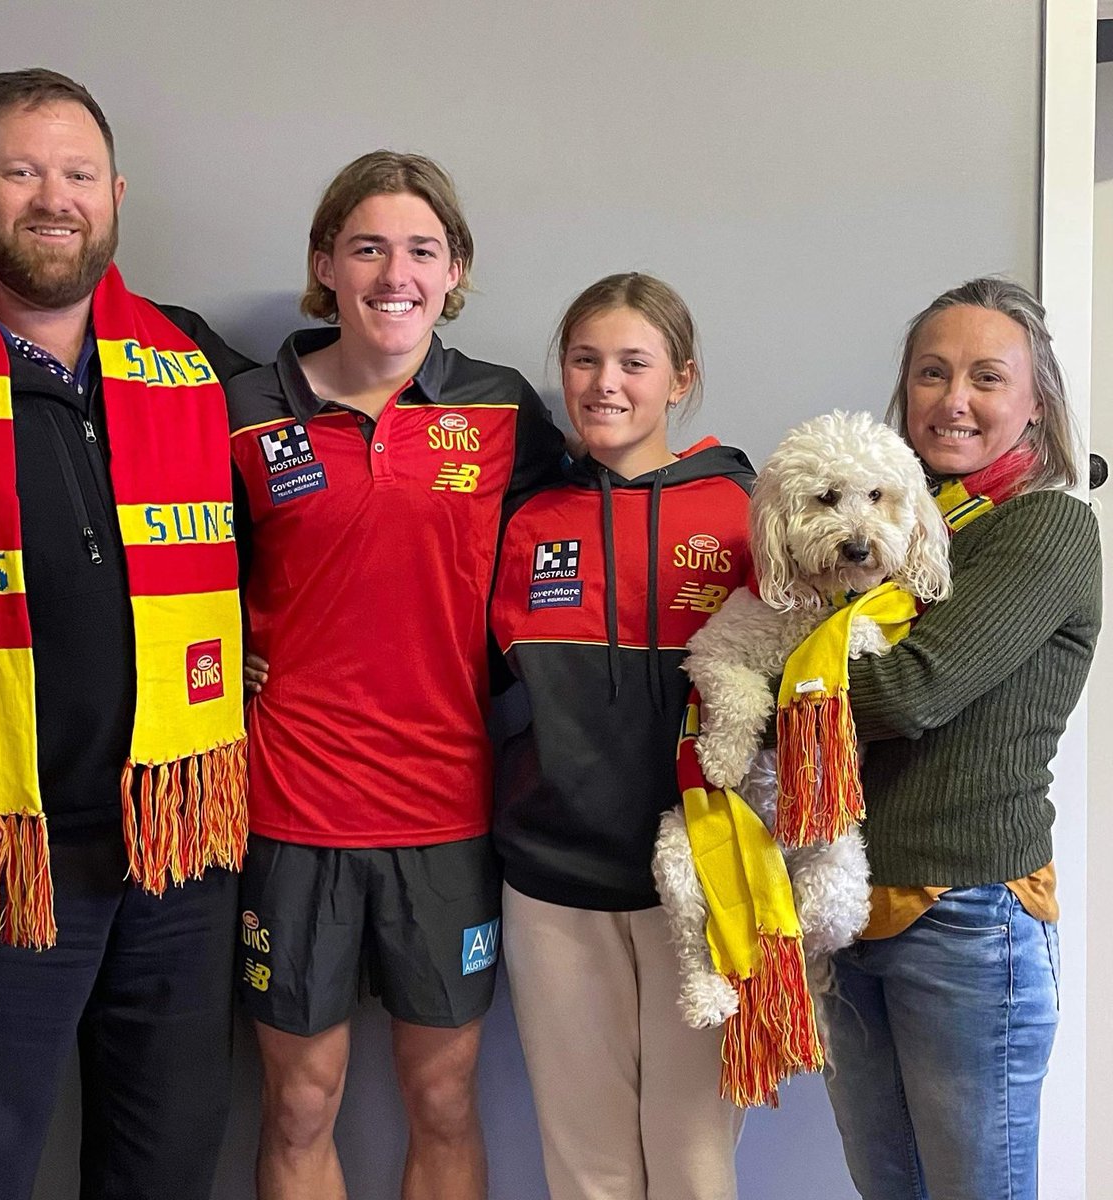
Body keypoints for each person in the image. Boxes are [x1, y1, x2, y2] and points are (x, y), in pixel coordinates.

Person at [0, 68, 253, 1200]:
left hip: (177, 849)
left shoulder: (190, 360)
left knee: (165, 1165)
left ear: (115, 191)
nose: (52, 198)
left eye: (76, 174)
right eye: (20, 172)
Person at [229, 151, 564, 1200]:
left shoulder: (505, 411)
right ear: (325, 262)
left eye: (422, 249)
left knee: (443, 1102)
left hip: (446, 812)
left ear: (455, 269)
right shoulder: (239, 410)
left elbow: (586, 546)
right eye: (367, 246)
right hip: (290, 810)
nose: (394, 272)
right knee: (297, 1105)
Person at [819, 277, 1102, 1200]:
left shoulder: (1044, 526)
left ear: (1035, 401)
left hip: (968, 916)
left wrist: (786, 663)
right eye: (932, 374)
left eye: (987, 376)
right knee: (885, 1186)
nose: (956, 399)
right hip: (851, 903)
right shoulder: (895, 531)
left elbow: (911, 693)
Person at [488, 273, 755, 1200]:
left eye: (634, 363)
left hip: (703, 886)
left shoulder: (748, 515)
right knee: (587, 1166)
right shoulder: (522, 521)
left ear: (681, 380)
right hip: (554, 883)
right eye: (585, 359)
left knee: (692, 1165)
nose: (605, 382)